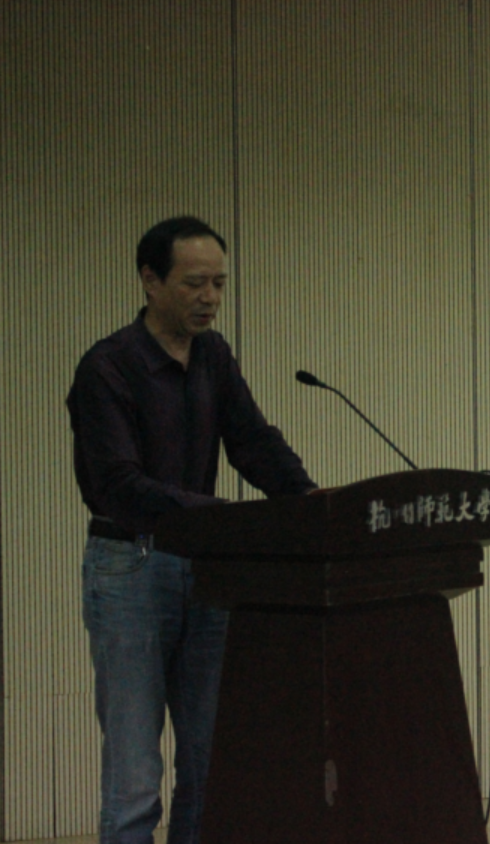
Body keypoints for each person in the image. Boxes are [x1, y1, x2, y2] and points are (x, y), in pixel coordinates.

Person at [66, 217, 316, 844]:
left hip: (207, 569)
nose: (210, 298)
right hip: (130, 566)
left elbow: (251, 440)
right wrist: (220, 516)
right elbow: (118, 484)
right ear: (150, 281)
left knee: (211, 757)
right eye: (194, 283)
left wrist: (308, 500)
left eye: (220, 284)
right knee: (134, 770)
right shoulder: (108, 367)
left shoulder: (213, 355)